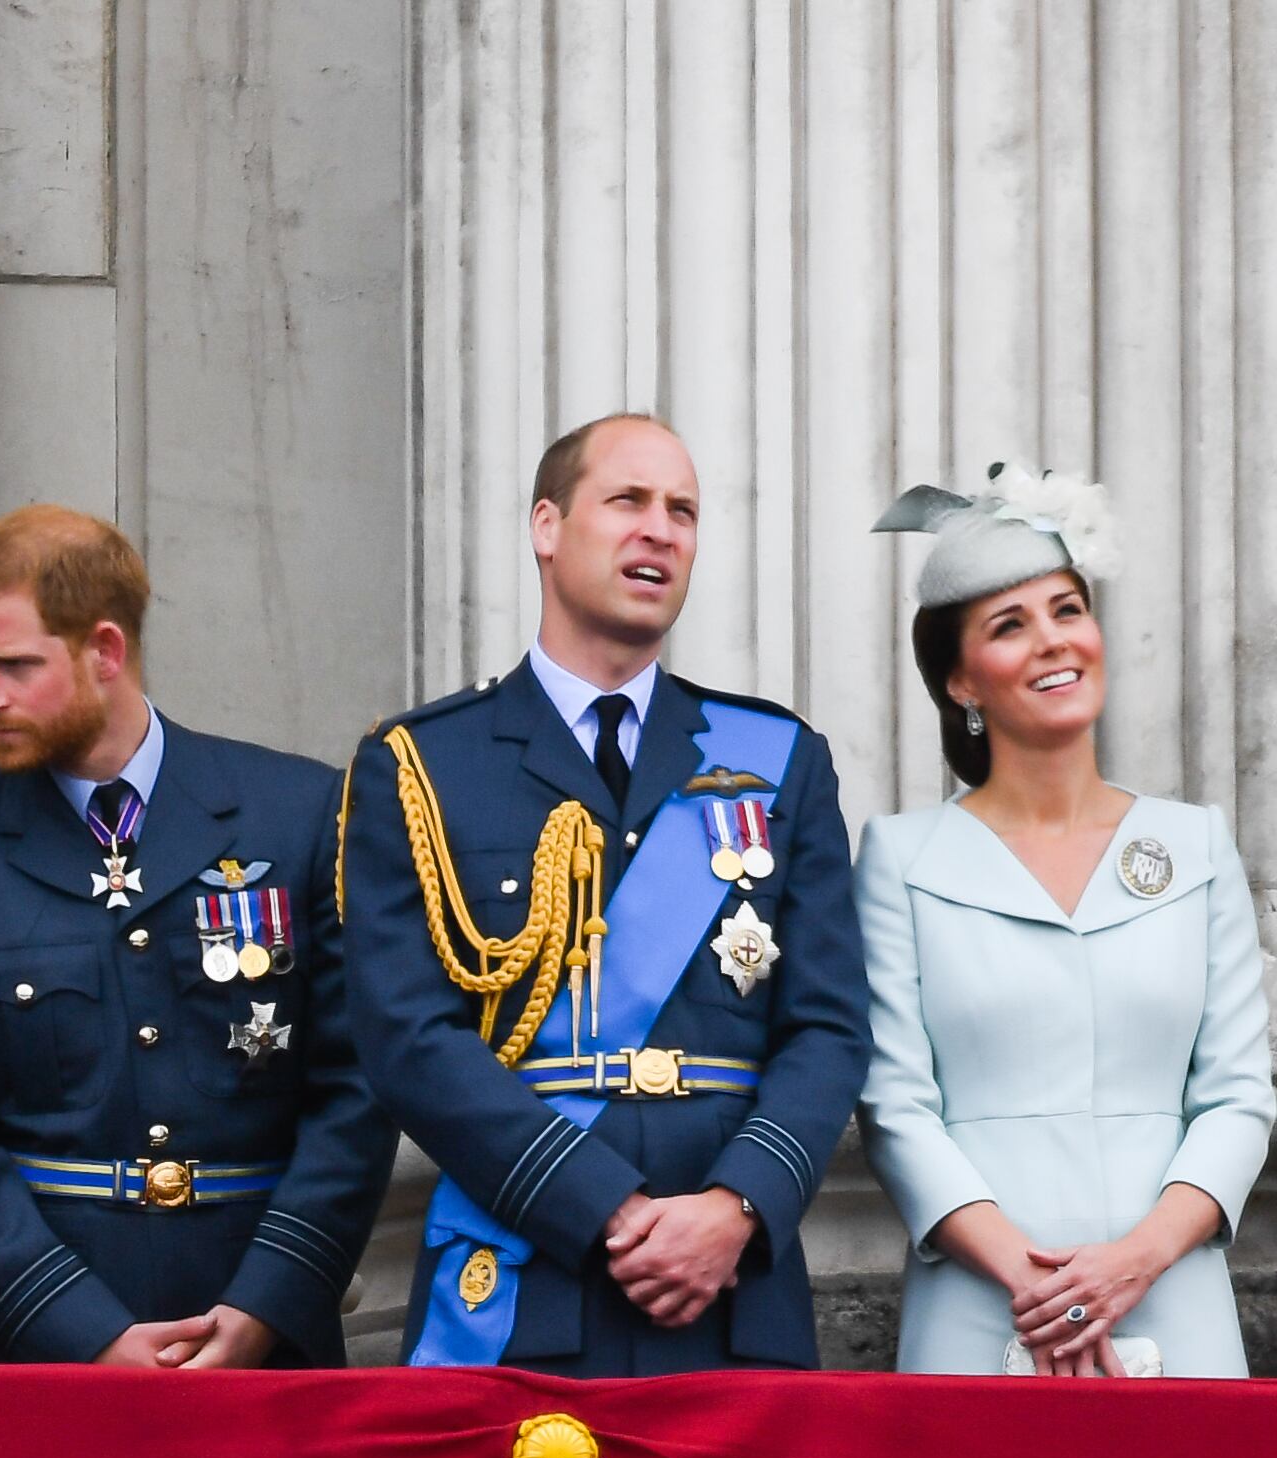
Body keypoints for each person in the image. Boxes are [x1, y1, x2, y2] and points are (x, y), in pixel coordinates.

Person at [340, 414, 870, 1375]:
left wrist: (736, 1206)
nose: (660, 530)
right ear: (547, 526)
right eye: (628, 501)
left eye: (683, 512)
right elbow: (407, 1037)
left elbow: (829, 1028)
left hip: (730, 1291)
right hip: (522, 1273)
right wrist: (605, 1208)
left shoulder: (777, 760)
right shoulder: (422, 764)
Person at [0, 505, 396, 1367]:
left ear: (104, 652)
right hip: (39, 1348)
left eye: (14, 666)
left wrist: (266, 1304)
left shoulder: (303, 818)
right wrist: (87, 1335)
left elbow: (359, 1089)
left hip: (263, 1326)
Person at [859, 468, 1273, 1377]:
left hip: (1174, 1301)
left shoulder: (1193, 844)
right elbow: (895, 1107)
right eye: (1011, 625)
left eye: (1067, 609)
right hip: (982, 1311)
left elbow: (1240, 1093)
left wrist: (1134, 1261)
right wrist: (1038, 1283)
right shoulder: (899, 857)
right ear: (961, 679)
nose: (1054, 641)